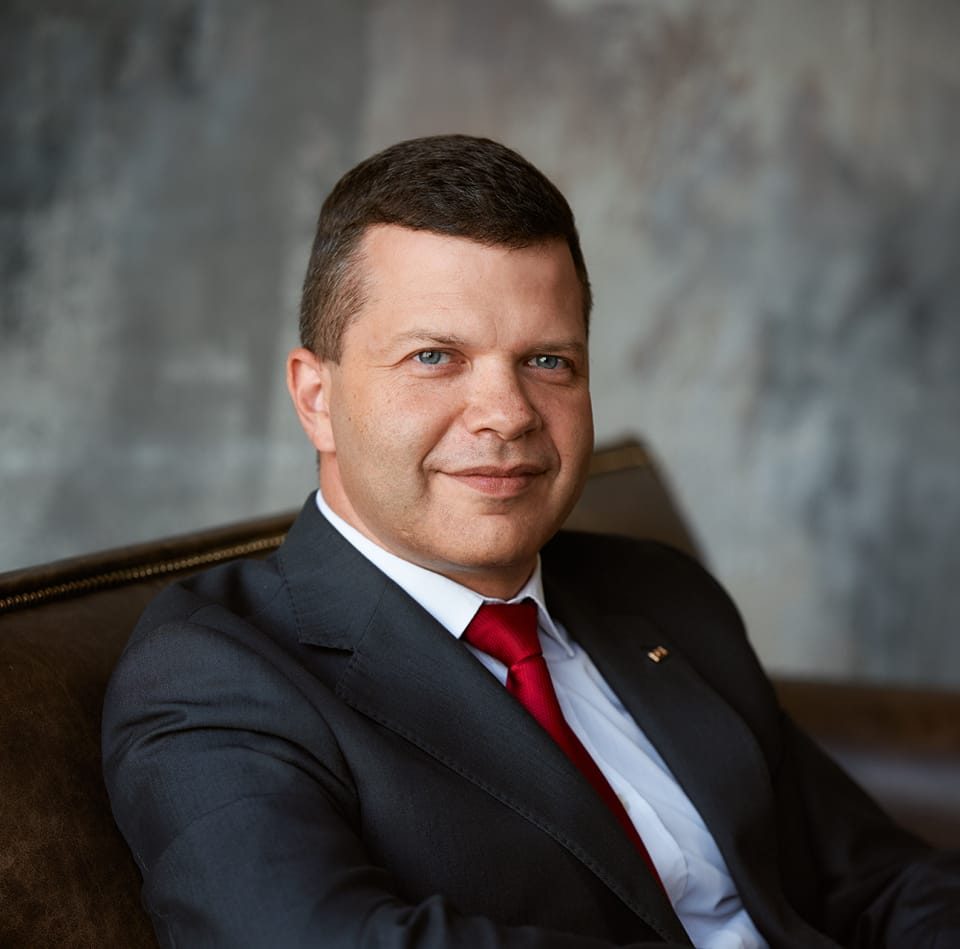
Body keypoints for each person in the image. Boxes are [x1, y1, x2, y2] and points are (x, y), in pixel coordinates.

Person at [102, 135, 959, 948]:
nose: (508, 414)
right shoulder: (214, 674)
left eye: (547, 361)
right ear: (316, 399)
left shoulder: (660, 593)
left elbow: (873, 879)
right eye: (435, 357)